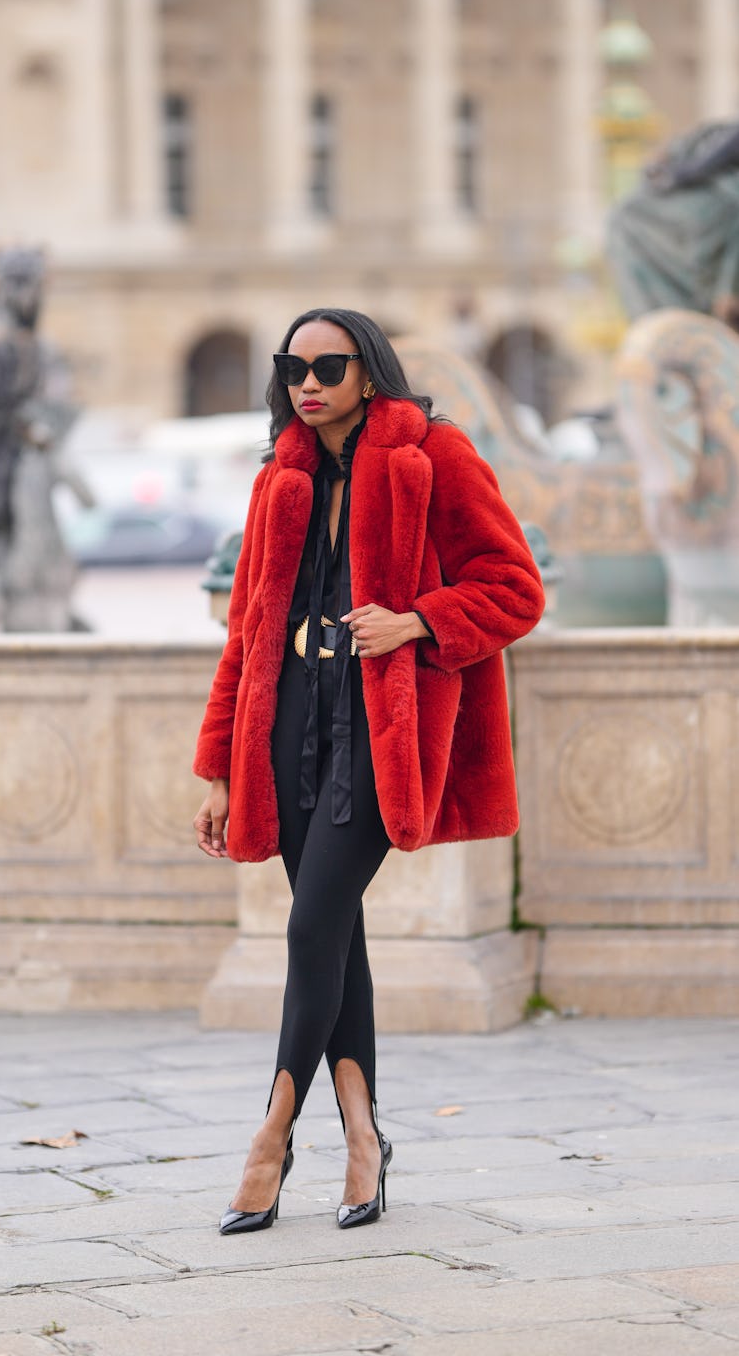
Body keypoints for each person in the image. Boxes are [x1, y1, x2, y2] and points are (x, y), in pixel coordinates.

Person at [192, 308, 545, 1235]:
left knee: (311, 926)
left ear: (368, 370)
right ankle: (364, 1139)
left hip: (383, 728)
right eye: (294, 367)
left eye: (329, 366)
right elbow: (248, 633)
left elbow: (516, 588)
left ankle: (270, 1139)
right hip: (290, 728)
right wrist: (221, 766)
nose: (309, 383)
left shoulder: (433, 454)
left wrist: (418, 621)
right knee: (334, 936)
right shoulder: (280, 477)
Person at [608, 120, 739, 327]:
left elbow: (711, 161)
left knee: (627, 217)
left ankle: (670, 309)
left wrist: (674, 175)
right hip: (710, 193)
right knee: (626, 216)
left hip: (719, 200)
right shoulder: (712, 136)